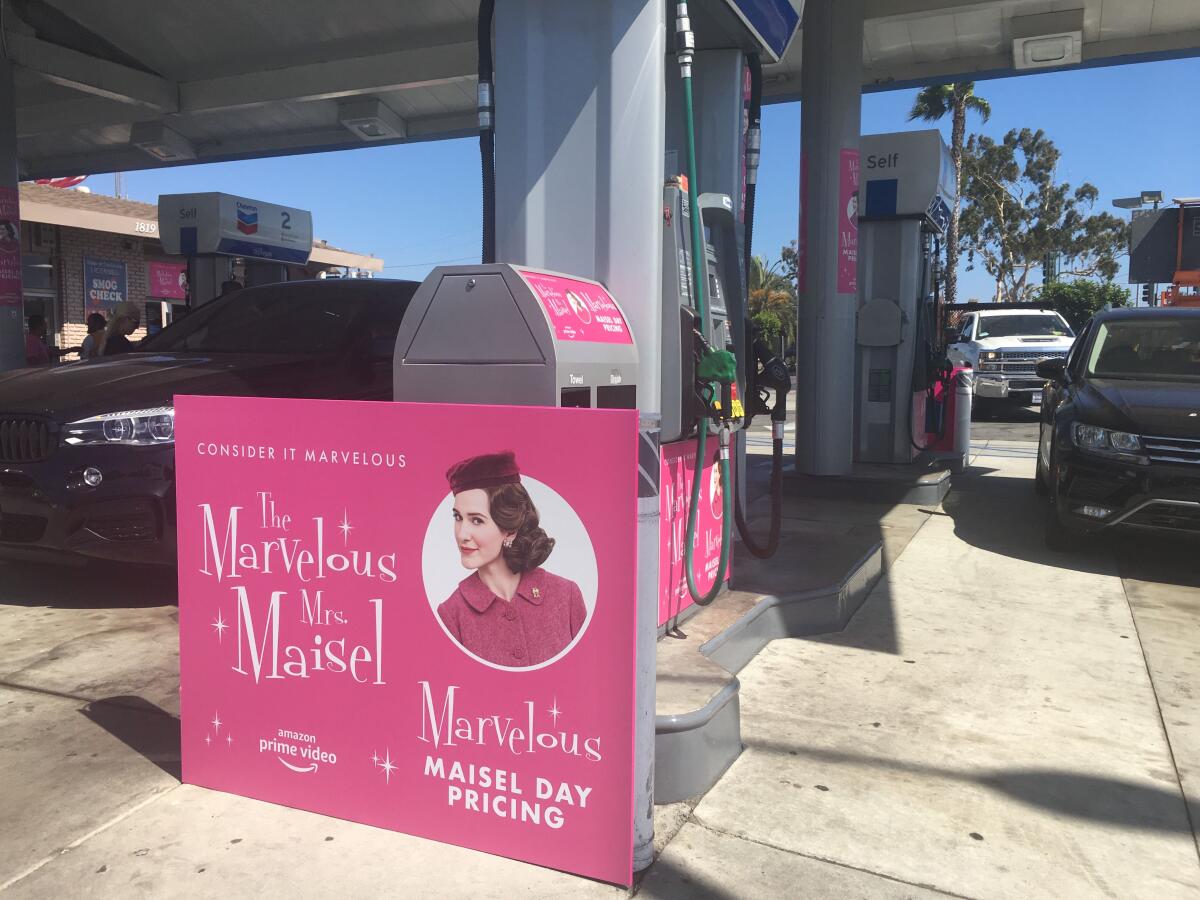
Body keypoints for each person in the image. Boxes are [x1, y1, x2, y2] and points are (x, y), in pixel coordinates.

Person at [436, 450, 586, 668]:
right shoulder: (452, 614)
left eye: (476, 520)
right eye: (458, 517)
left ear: (510, 529)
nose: (462, 534)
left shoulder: (566, 596)